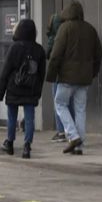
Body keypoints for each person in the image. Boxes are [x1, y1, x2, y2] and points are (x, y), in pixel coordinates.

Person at [48, 1, 102, 155]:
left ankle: (73, 136)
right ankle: (79, 144)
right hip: (84, 78)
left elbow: (56, 54)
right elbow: (98, 54)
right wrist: (93, 72)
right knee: (80, 110)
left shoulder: (65, 28)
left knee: (60, 103)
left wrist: (51, 74)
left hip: (66, 77)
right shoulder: (90, 29)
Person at [0, 19, 46, 159]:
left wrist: (0, 92)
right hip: (30, 89)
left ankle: (10, 143)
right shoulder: (39, 50)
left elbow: (5, 71)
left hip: (14, 88)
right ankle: (27, 146)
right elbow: (41, 74)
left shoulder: (14, 47)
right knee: (30, 118)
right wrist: (38, 92)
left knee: (12, 116)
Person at [46, 12, 69, 143]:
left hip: (58, 73)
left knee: (58, 101)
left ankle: (61, 132)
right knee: (71, 104)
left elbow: (50, 54)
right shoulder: (70, 32)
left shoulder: (54, 37)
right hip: (71, 74)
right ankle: (70, 131)